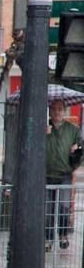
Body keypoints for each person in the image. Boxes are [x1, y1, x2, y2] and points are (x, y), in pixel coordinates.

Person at [44, 100, 84, 250]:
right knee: (47, 208)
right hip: (46, 174)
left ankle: (62, 235)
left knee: (64, 207)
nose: (57, 112)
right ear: (50, 110)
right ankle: (47, 239)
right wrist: (43, 135)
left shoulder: (72, 130)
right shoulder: (44, 127)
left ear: (64, 111)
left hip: (65, 174)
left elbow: (82, 146)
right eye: (54, 109)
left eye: (60, 109)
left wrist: (77, 148)